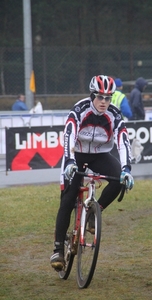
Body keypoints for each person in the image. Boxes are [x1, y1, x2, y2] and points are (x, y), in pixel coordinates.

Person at [50, 75, 134, 271]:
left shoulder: (114, 114)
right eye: (100, 97)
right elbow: (69, 134)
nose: (104, 102)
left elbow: (123, 140)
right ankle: (58, 249)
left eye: (108, 97)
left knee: (118, 181)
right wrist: (70, 161)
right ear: (92, 95)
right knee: (68, 197)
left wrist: (126, 169)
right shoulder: (80, 109)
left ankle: (93, 214)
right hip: (76, 154)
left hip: (100, 155)